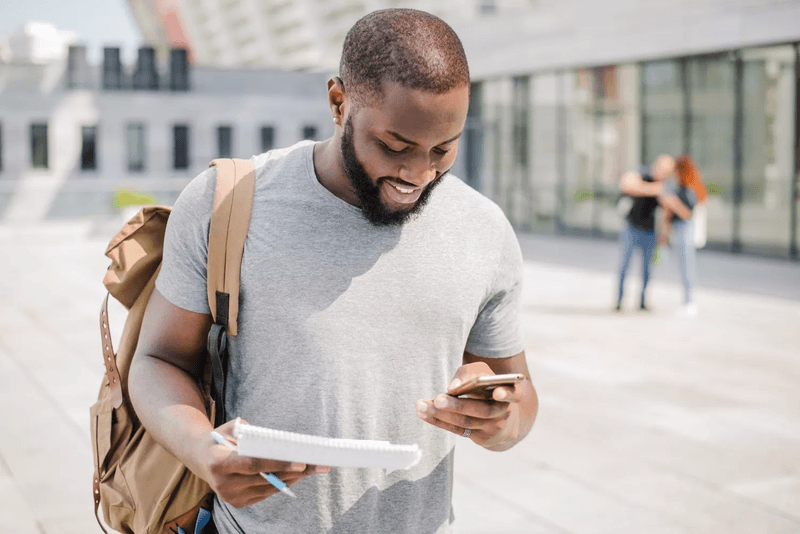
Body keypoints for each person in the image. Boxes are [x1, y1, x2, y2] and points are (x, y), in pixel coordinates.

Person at [128, 9, 538, 534]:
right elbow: (159, 359)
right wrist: (202, 448)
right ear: (338, 102)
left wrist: (502, 419)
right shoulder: (226, 202)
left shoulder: (485, 230)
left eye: (443, 149)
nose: (418, 174)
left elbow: (521, 401)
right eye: (395, 146)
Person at [615, 154, 676, 311]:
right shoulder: (643, 173)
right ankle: (619, 300)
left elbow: (666, 215)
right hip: (631, 227)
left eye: (667, 171)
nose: (664, 173)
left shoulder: (666, 185)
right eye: (663, 168)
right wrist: (654, 190)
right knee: (624, 266)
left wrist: (663, 239)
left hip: (649, 232)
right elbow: (626, 185)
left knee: (647, 270)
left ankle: (642, 301)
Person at [657, 154, 707, 316]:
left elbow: (687, 214)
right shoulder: (677, 187)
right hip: (677, 231)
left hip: (686, 231)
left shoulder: (689, 190)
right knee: (683, 267)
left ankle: (689, 302)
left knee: (687, 267)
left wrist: (673, 203)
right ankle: (686, 301)